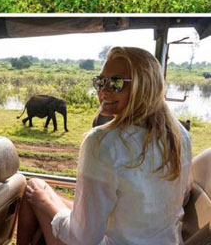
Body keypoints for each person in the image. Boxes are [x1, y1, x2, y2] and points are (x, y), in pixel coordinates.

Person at [16, 46, 193, 245]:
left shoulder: (103, 143)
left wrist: (44, 202)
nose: (103, 90)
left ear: (144, 87)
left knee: (35, 188)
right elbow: (182, 196)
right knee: (43, 189)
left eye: (116, 83)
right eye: (100, 81)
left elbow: (82, 239)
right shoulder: (180, 135)